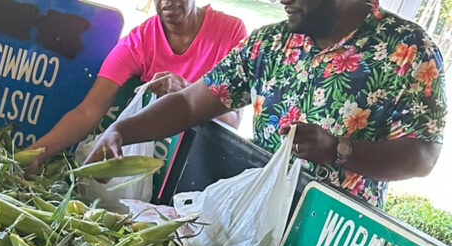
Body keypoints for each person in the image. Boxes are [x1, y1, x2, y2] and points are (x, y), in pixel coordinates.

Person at [86, 0, 447, 207]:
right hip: (254, 218)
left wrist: (339, 149)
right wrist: (122, 130)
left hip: (328, 237)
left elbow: (423, 156)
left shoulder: (408, 50)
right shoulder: (270, 44)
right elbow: (191, 103)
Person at [29, 0, 247, 165]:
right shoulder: (139, 42)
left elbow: (233, 120)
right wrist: (36, 154)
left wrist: (187, 89)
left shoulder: (230, 33)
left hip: (198, 164)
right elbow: (88, 111)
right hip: (152, 168)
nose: (168, 2)